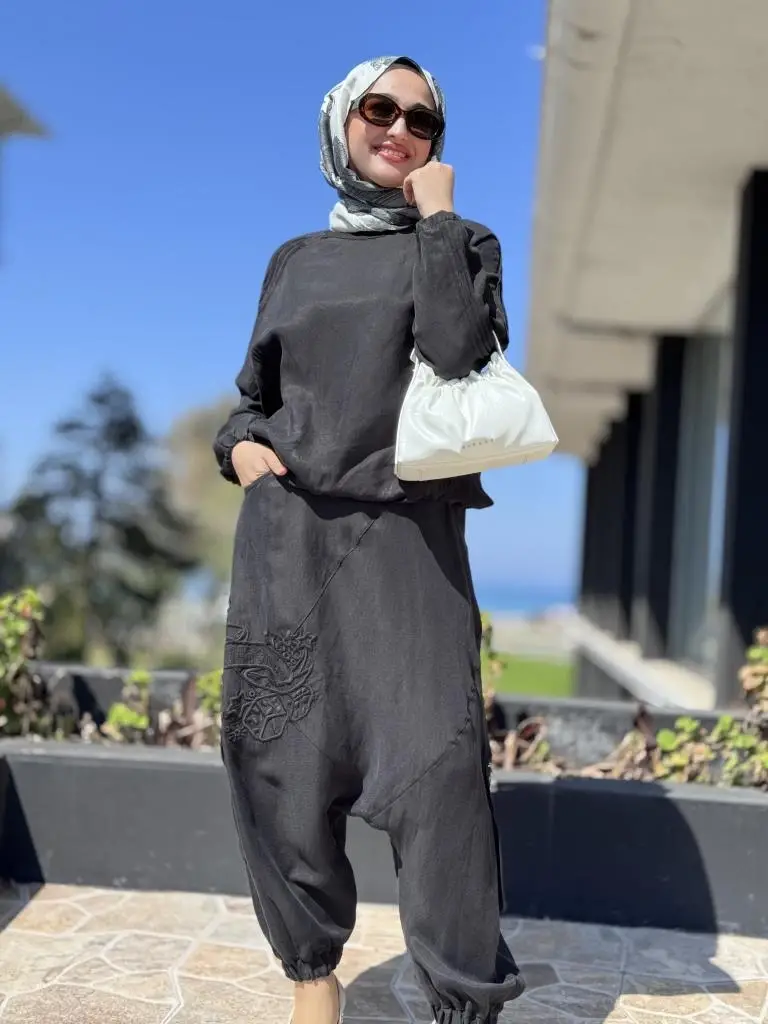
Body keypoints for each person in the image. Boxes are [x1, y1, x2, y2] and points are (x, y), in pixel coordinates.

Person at [213, 55, 525, 1024]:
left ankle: (462, 1000)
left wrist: (437, 221)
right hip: (290, 544)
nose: (399, 130)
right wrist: (241, 453)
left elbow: (457, 352)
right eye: (379, 109)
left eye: (422, 120)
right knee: (280, 760)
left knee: (442, 778)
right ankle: (313, 980)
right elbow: (254, 398)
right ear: (341, 121)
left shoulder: (464, 242)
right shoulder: (295, 261)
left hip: (410, 546)